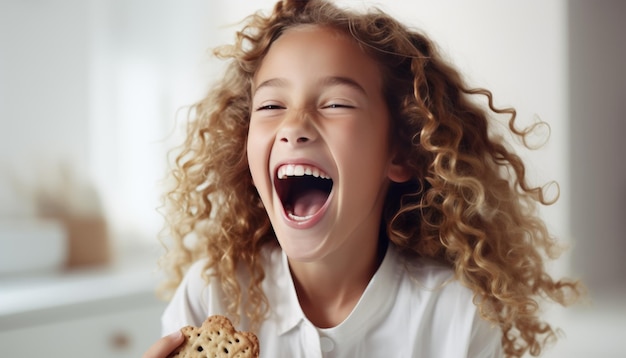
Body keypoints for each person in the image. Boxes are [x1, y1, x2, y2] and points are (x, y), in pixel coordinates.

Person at [144, 1, 582, 357]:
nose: (294, 125)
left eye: (336, 104)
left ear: (403, 151)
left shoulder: (456, 314)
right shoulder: (213, 293)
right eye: (271, 105)